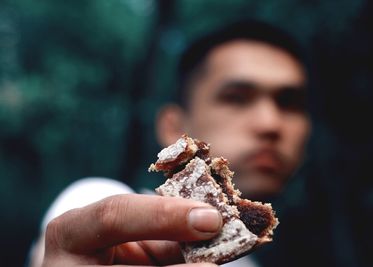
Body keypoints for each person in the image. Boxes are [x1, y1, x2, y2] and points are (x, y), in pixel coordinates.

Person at [28, 19, 310, 267]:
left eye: (289, 103)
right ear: (173, 127)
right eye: (236, 97)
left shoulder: (247, 258)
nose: (271, 123)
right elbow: (65, 247)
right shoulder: (107, 212)